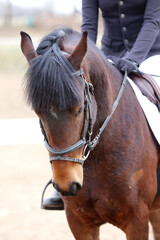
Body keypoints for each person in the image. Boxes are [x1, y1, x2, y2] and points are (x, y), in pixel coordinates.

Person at [42, 0, 160, 210]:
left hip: (151, 56)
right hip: (108, 55)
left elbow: (152, 22)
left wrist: (134, 58)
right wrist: (89, 60)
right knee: (72, 107)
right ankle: (65, 179)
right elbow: (88, 26)